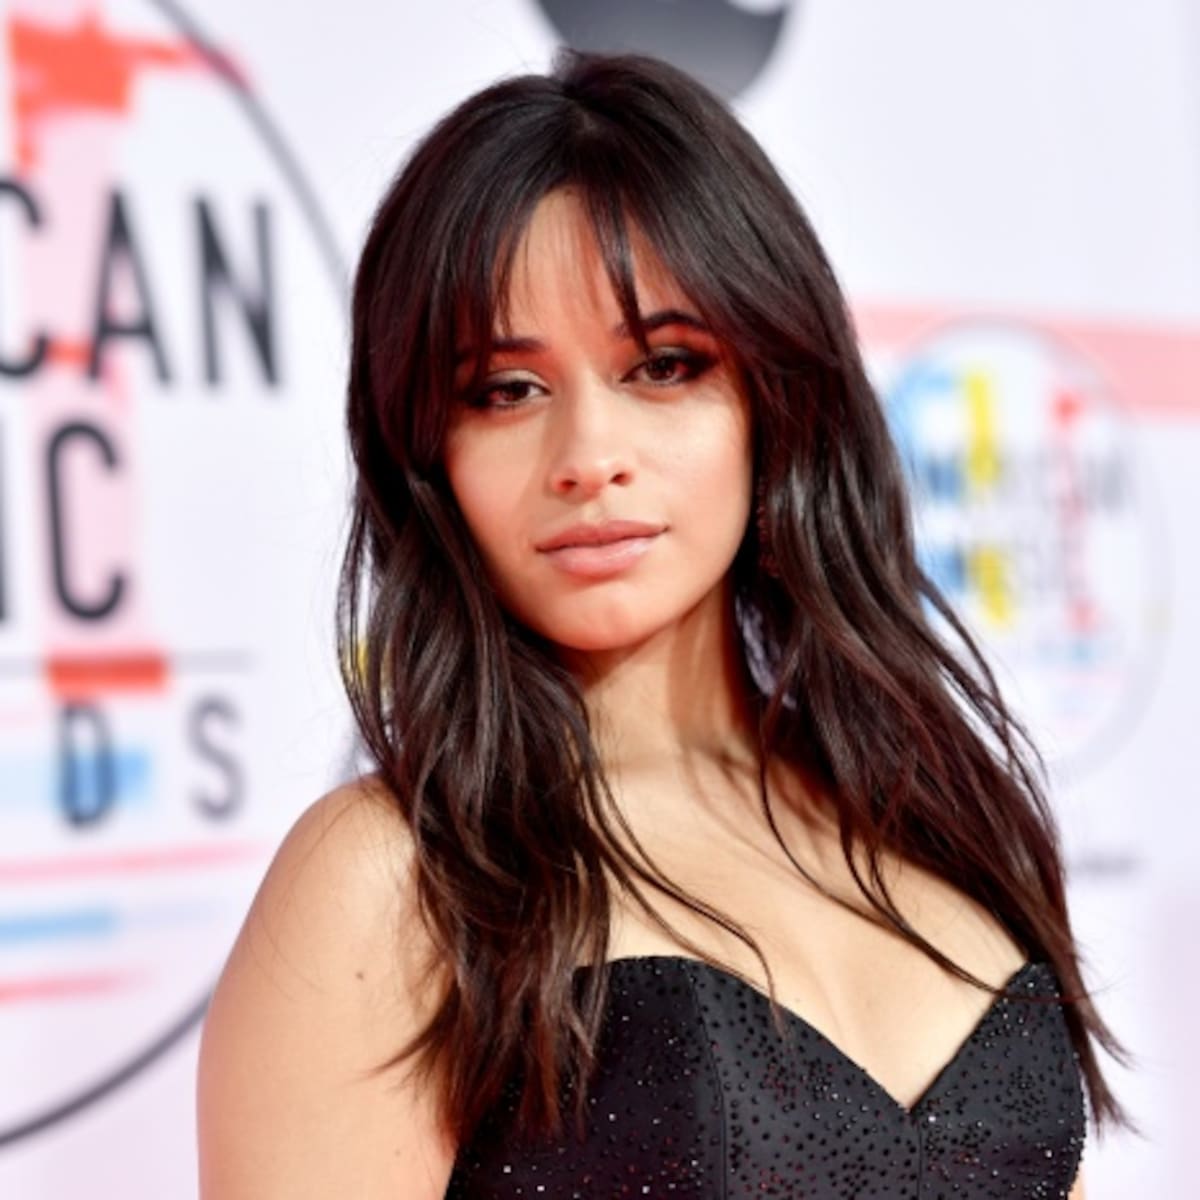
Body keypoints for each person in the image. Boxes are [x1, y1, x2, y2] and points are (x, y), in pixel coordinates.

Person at [196, 50, 1132, 1199]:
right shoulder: (390, 882)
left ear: (775, 396)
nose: (589, 458)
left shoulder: (936, 810)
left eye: (663, 366)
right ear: (428, 451)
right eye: (506, 390)